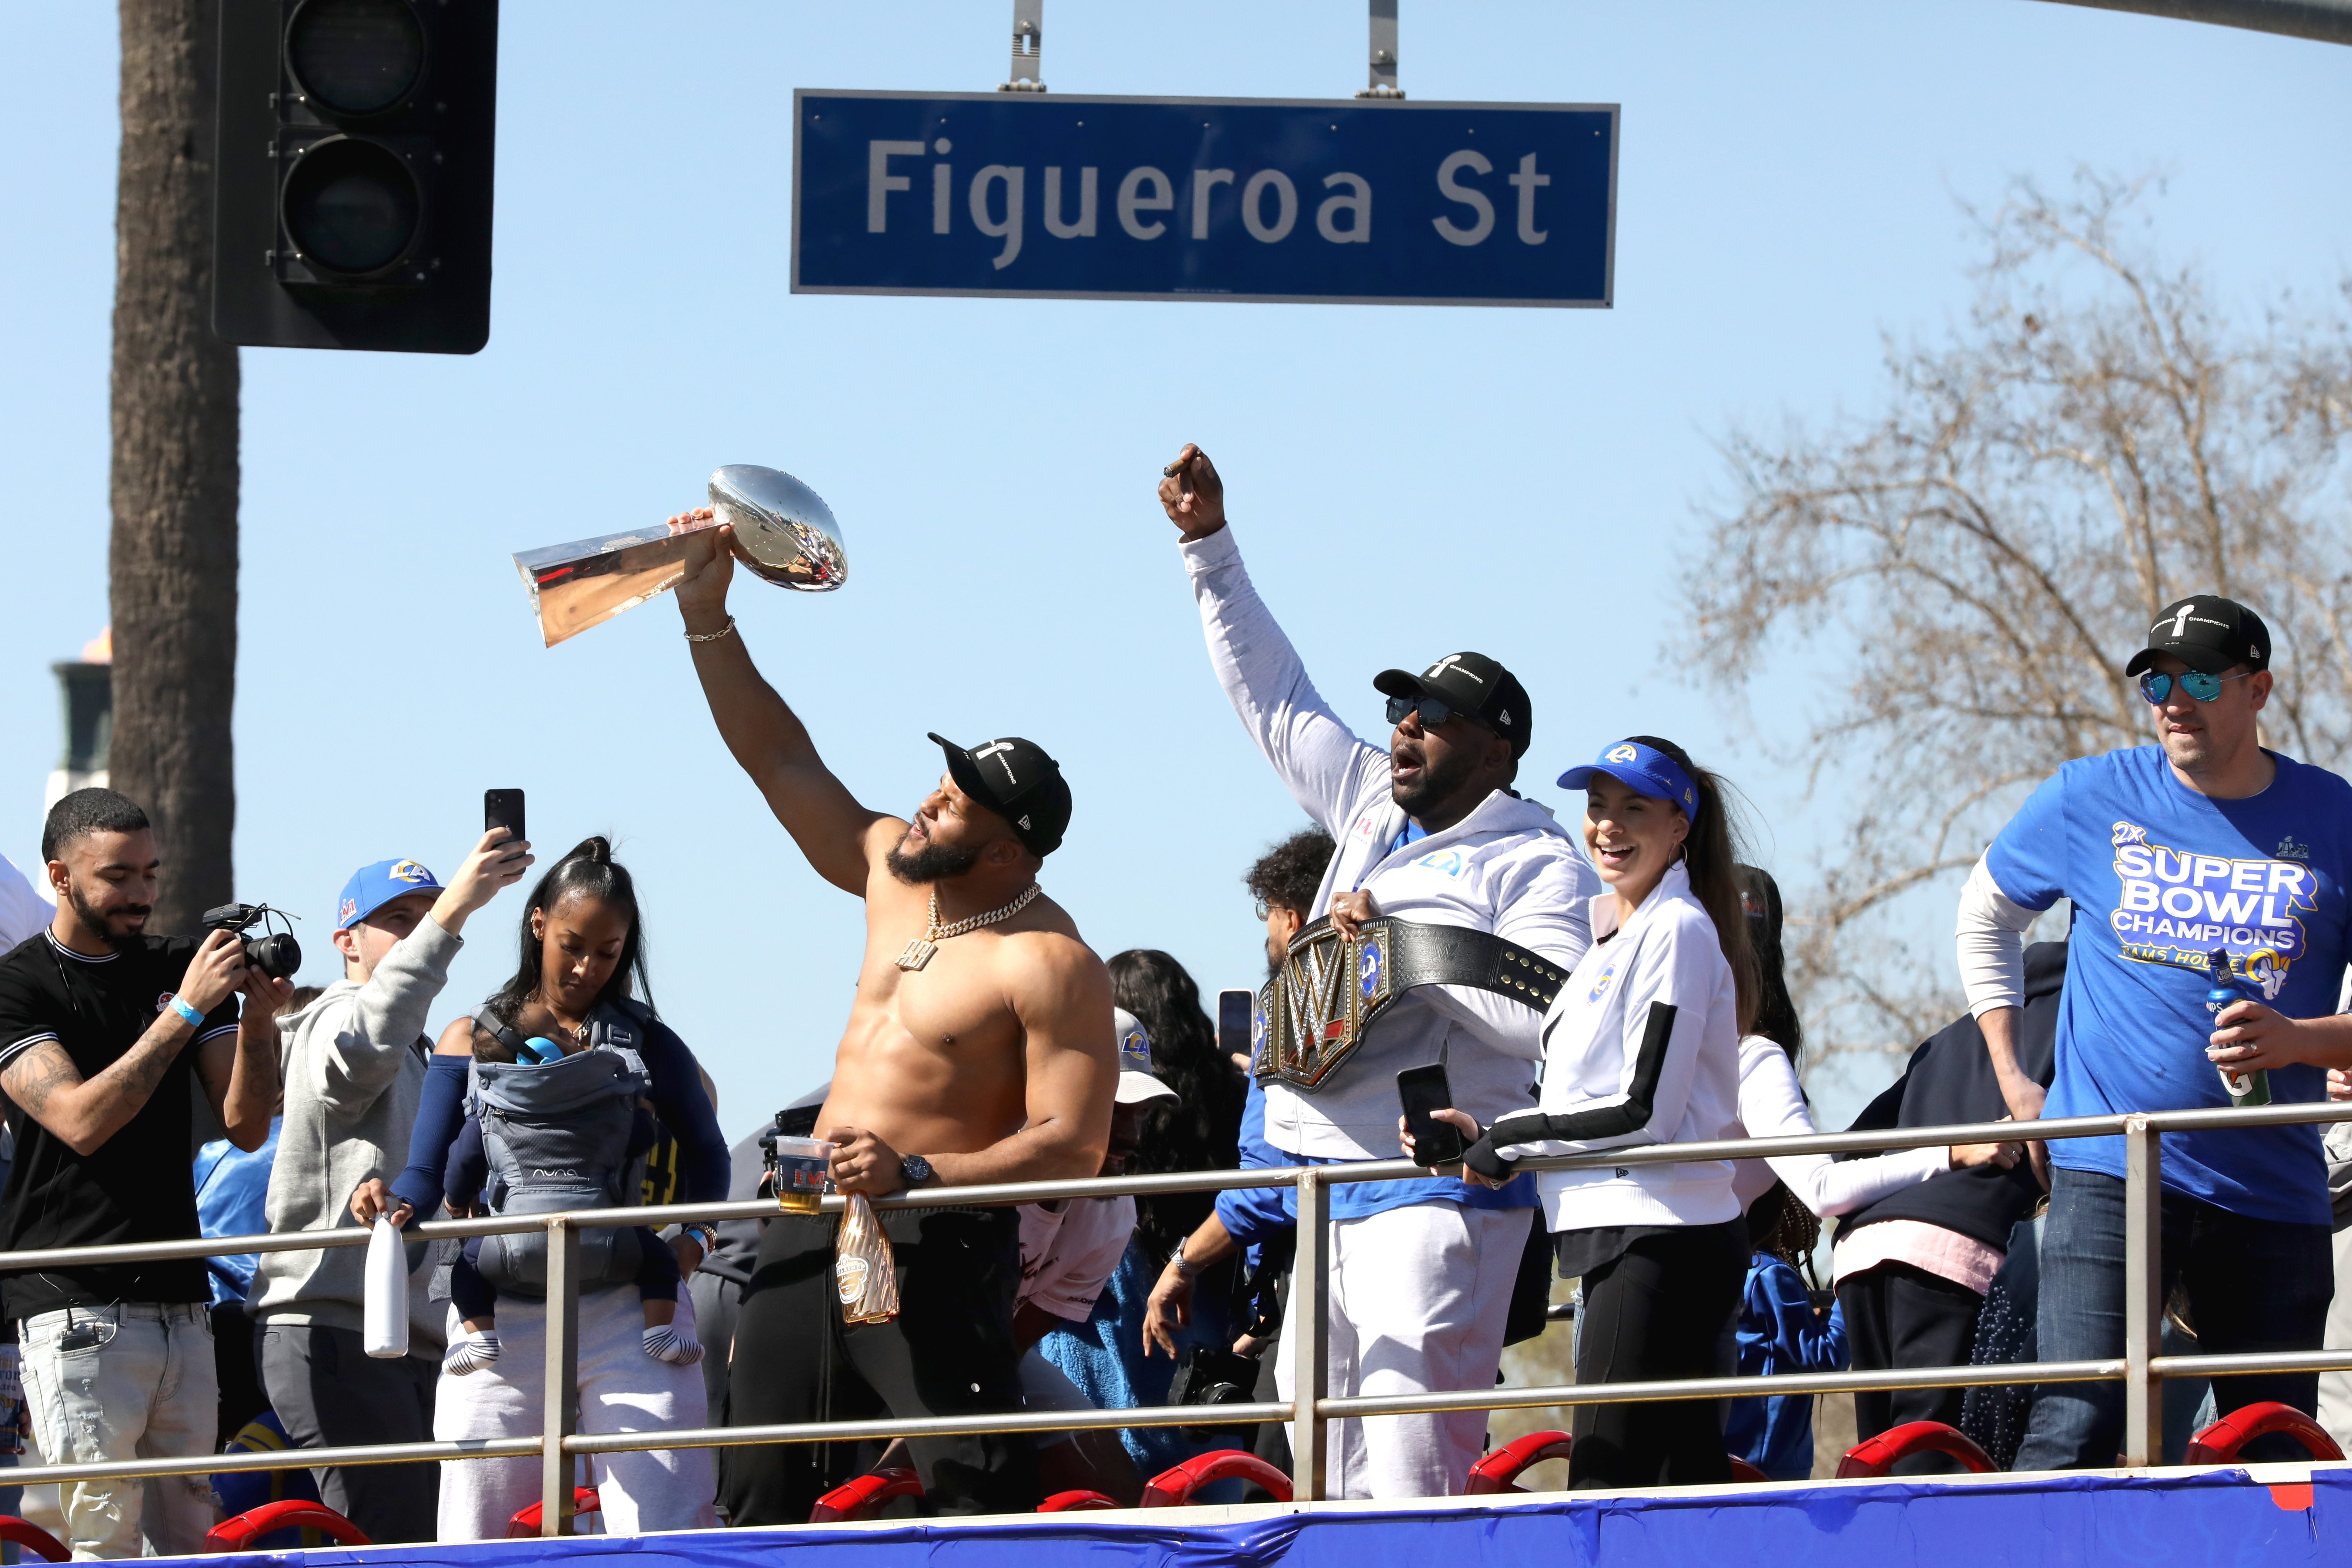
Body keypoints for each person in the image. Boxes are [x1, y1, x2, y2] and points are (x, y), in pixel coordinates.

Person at [1158, 444, 1597, 1500]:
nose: (1404, 726)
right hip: (1326, 1193)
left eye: (1433, 715)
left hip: (1437, 1194)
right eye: (1402, 708)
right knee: (1330, 1478)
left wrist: (1399, 952)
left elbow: (1555, 1015)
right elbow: (1272, 694)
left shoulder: (1537, 857)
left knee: (1414, 1473)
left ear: (1496, 748)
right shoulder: (1365, 801)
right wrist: (1206, 546)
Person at [670, 516, 1117, 1526]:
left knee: (972, 1488)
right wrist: (708, 619)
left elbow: (1073, 1145)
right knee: (758, 1485)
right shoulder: (886, 872)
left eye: (956, 804)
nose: (927, 803)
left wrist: (920, 1175)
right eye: (941, 781)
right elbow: (782, 762)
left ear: (1008, 854)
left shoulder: (1050, 962)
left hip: (935, 1242)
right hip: (805, 1223)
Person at [1958, 595, 2352, 1469]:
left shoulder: (2334, 816)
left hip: (2272, 1180)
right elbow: (1983, 914)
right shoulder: (2088, 794)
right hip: (2113, 1166)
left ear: (2257, 689)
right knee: (2081, 1418)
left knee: (2275, 1448)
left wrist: (2297, 1041)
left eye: (2201, 678)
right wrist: (2013, 1077)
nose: (2175, 697)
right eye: (2158, 681)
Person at [365, 838, 729, 1540]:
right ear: (537, 924)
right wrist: (393, 1201)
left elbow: (709, 1155)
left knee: (666, 1525)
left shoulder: (648, 1038)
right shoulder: (470, 1035)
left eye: (608, 950)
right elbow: (427, 1167)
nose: (588, 967)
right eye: (573, 945)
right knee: (476, 1528)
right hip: (497, 1314)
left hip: (633, 1308)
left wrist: (692, 1242)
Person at [1427, 739, 1752, 1490]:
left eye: (1634, 807)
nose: (1608, 825)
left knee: (1607, 1482)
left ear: (1681, 824)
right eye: (1598, 806)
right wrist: (1488, 1136)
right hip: (1634, 1233)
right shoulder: (1616, 935)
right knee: (1670, 1489)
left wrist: (1513, 1137)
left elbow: (1645, 1111)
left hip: (1663, 1236)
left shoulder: (1676, 929)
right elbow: (1581, 1102)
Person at [0, 788, 284, 1558]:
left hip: (183, 1308)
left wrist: (257, 1023)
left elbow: (249, 1124)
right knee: (96, 1544)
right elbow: (81, 1119)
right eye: (118, 875)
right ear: (59, 876)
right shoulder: (16, 984)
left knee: (192, 1540)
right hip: (74, 1311)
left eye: (150, 873)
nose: (143, 894)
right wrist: (185, 1011)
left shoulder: (173, 967)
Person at [251, 838, 531, 1542]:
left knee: (421, 1539)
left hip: (414, 1338)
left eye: (423, 914)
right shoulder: (327, 1019)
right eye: (398, 918)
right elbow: (365, 1044)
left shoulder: (420, 1050)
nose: (417, 929)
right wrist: (454, 913)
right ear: (346, 939)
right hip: (333, 1323)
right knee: (384, 1538)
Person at [1719, 867, 2022, 1478]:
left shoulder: (1704, 1053)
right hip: (1702, 1307)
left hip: (1627, 1290)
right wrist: (1952, 1153)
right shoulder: (1748, 1057)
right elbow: (1826, 1187)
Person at [1833, 942, 2062, 1468]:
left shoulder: (1953, 1034)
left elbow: (1848, 1146)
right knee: (1929, 1455)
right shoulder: (2085, 1021)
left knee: (1878, 1453)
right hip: (1952, 1247)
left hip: (1862, 1247)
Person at [408, 1013, 704, 1374]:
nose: (571, 1034)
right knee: (660, 1260)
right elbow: (642, 1139)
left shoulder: (488, 1111)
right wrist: (644, 1112)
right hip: (609, 1247)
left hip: (507, 1249)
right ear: (539, 1052)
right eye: (558, 1032)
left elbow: (462, 1164)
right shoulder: (603, 1101)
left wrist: (455, 1205)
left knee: (466, 1268)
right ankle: (660, 1332)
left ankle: (481, 1337)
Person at [1019, 1010, 1176, 1504]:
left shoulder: (1115, 1215)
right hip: (889, 1335)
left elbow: (1007, 1345)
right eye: (1113, 1109)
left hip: (983, 1352)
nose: (1132, 1134)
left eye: (1141, 1111)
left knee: (1122, 1498)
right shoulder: (977, 1165)